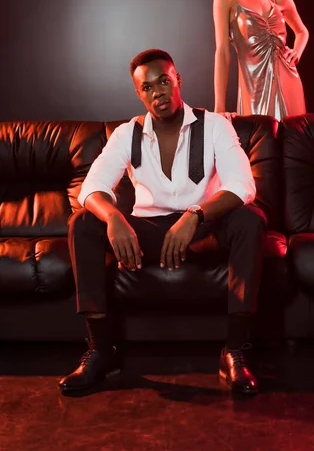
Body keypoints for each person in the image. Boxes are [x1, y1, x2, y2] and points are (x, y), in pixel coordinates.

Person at [59, 49, 267, 395]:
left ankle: (235, 350)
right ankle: (101, 351)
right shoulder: (128, 134)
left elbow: (242, 184)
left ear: (177, 80)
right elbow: (91, 187)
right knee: (83, 223)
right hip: (149, 235)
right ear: (139, 94)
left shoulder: (215, 125)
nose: (158, 92)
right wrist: (113, 217)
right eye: (148, 87)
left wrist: (195, 215)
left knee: (250, 218)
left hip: (203, 231)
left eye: (164, 81)